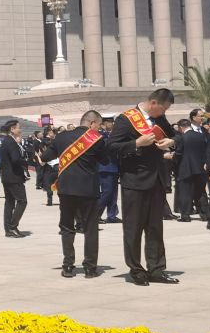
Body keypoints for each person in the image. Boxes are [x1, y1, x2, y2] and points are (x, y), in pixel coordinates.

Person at [107, 88, 180, 286]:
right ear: (154, 103)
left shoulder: (159, 119)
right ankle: (136, 270)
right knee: (133, 227)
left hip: (156, 180)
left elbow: (176, 136)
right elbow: (111, 147)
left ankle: (156, 269)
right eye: (163, 109)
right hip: (134, 180)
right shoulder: (126, 119)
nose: (164, 113)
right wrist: (136, 143)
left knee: (155, 227)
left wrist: (172, 141)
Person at [51, 110, 106, 278]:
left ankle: (68, 266)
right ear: (92, 123)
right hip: (88, 190)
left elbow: (46, 156)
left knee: (67, 227)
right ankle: (90, 268)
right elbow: (105, 160)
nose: (99, 129)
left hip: (66, 189)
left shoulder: (61, 137)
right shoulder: (97, 139)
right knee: (90, 229)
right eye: (99, 126)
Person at [0, 119, 31, 238]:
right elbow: (15, 159)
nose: (20, 130)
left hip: (7, 177)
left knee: (10, 203)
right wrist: (25, 161)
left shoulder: (8, 140)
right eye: (18, 127)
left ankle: (8, 229)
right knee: (22, 201)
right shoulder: (10, 142)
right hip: (13, 177)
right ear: (12, 129)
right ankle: (12, 226)